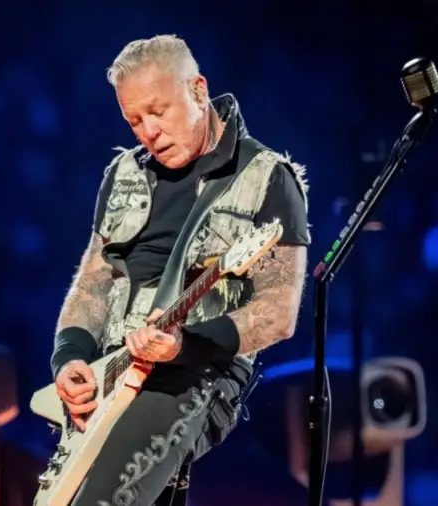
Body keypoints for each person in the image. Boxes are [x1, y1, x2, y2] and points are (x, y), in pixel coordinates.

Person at [48, 35, 311, 506]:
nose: (148, 131)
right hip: (113, 368)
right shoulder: (122, 173)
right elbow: (92, 281)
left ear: (198, 89)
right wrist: (69, 356)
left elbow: (279, 310)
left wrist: (184, 343)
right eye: (134, 120)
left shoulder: (268, 177)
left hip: (197, 371)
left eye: (158, 111)